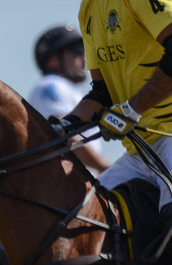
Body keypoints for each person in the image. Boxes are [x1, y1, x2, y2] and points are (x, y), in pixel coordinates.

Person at [36, 0, 172, 252]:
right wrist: (60, 128)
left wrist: (131, 109)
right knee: (73, 226)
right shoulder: (89, 7)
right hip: (139, 153)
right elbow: (101, 95)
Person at [27, 24, 111, 174]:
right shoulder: (52, 85)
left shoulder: (68, 89)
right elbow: (65, 134)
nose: (84, 56)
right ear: (53, 60)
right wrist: (103, 166)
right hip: (64, 189)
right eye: (77, 50)